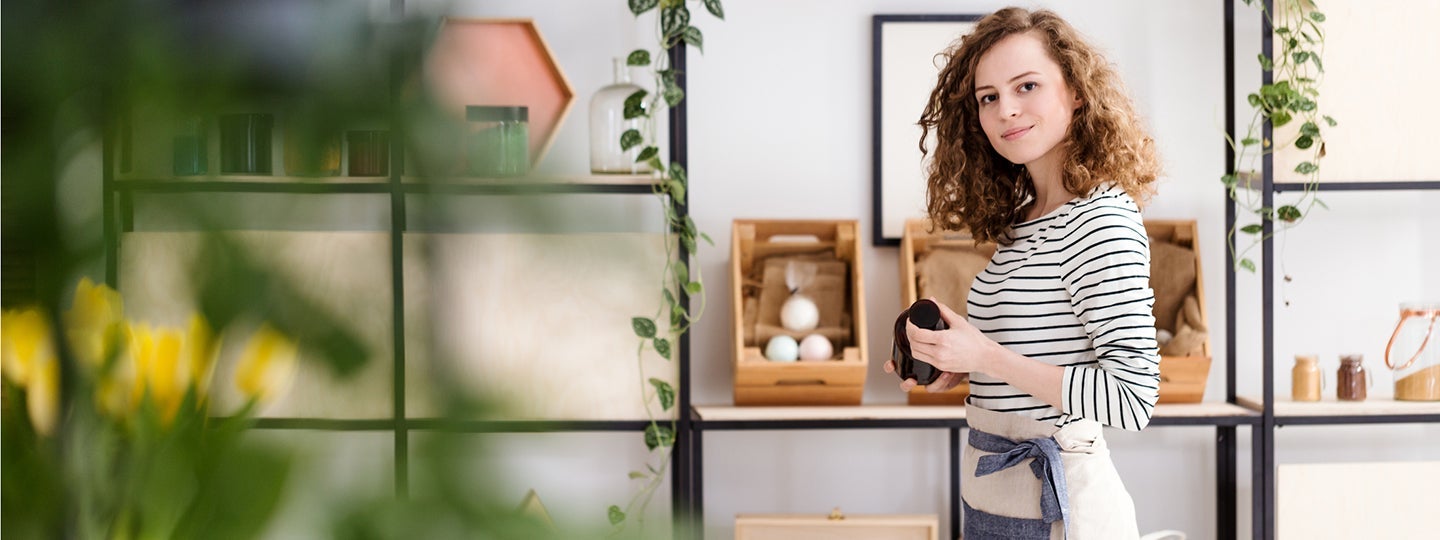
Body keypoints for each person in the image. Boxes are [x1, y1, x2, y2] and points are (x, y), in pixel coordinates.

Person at [882, 7, 1162, 540]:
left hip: (1061, 509)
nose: (1006, 110)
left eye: (1026, 86)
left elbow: (1133, 398)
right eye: (989, 97)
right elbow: (1040, 358)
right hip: (996, 496)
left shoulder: (1100, 218)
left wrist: (984, 355)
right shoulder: (1026, 221)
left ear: (1077, 91)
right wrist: (960, 368)